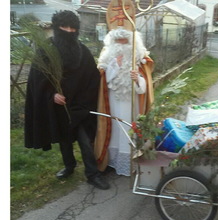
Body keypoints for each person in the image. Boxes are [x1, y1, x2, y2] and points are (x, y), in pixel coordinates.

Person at [24, 10, 110, 190]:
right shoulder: (46, 51)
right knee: (64, 139)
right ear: (57, 27)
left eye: (73, 27)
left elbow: (93, 79)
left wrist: (85, 101)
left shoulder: (83, 51)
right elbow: (37, 80)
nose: (70, 31)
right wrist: (51, 95)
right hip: (58, 105)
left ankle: (92, 174)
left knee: (85, 141)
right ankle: (69, 166)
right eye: (65, 27)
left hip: (80, 106)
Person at [95, 27, 154, 176]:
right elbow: (103, 80)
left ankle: (130, 163)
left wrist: (137, 79)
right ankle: (112, 162)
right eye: (117, 41)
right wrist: (114, 65)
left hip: (132, 104)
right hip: (113, 102)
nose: (121, 45)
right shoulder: (107, 57)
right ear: (112, 42)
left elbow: (144, 88)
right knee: (114, 130)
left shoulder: (140, 58)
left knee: (129, 130)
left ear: (132, 42)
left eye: (125, 41)